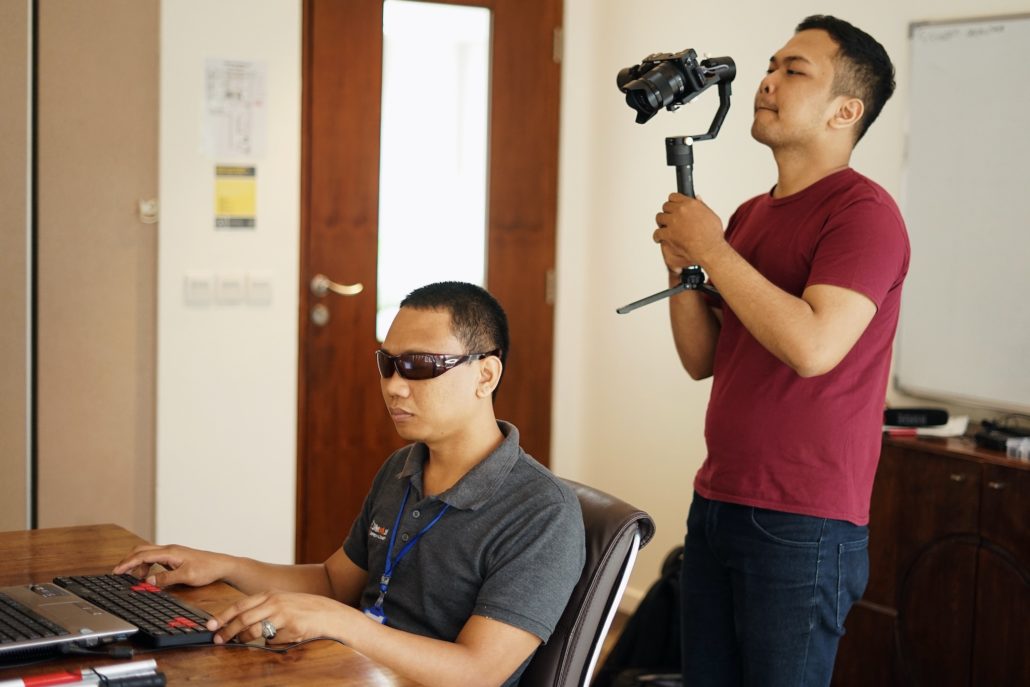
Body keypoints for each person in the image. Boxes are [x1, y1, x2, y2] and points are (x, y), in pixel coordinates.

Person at [114, 281, 586, 687]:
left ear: (486, 373)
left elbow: (477, 672)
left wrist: (342, 624)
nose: (395, 386)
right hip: (352, 670)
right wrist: (223, 566)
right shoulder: (403, 466)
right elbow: (332, 582)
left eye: (420, 366)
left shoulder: (543, 511)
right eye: (388, 363)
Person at [651, 15, 910, 687]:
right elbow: (702, 357)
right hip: (718, 498)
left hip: (804, 521)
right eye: (772, 66)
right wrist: (683, 267)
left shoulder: (864, 214)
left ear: (845, 111)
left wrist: (711, 250)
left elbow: (813, 345)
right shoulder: (748, 216)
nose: (767, 82)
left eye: (795, 71)